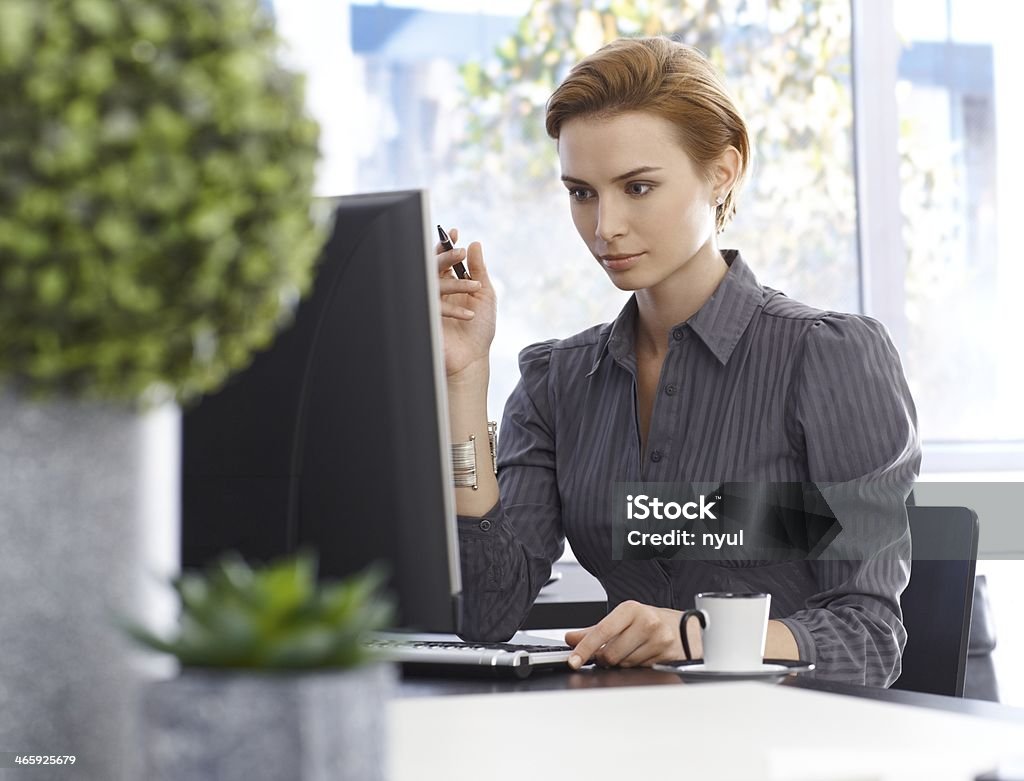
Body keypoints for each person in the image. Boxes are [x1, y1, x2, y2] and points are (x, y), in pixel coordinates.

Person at [435, 36, 919, 687]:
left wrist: (697, 634)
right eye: (582, 193)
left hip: (791, 744)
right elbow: (487, 613)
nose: (605, 226)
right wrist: (464, 382)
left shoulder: (827, 359)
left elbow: (870, 638)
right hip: (631, 733)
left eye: (638, 186)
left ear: (722, 171)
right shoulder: (557, 384)